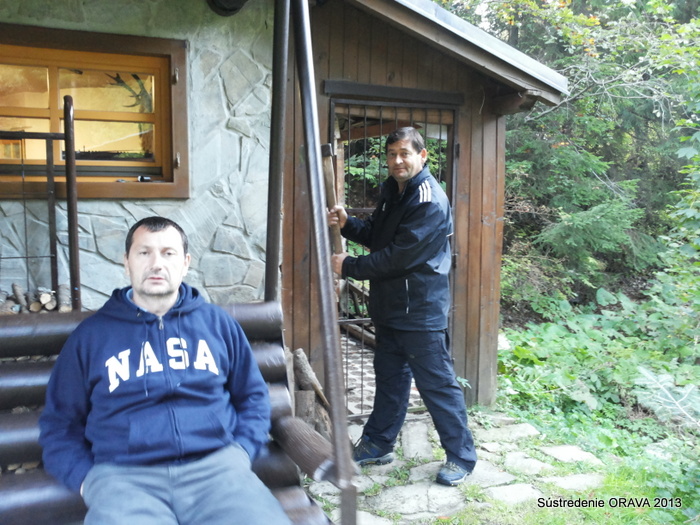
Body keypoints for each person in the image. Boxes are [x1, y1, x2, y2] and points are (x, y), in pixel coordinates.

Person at [39, 216, 292, 525]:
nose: (156, 264)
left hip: (218, 472)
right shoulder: (90, 338)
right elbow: (59, 425)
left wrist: (241, 452)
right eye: (144, 252)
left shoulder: (218, 325)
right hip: (125, 479)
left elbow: (253, 397)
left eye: (168, 253)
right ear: (127, 262)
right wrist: (88, 480)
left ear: (185, 263)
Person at [328, 127, 477, 486]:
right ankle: (378, 444)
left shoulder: (428, 199)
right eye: (392, 154)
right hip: (391, 306)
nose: (397, 160)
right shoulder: (394, 190)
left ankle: (461, 457)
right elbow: (379, 236)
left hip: (419, 309)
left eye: (405, 153)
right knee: (390, 379)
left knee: (437, 384)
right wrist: (349, 225)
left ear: (422, 156)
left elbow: (400, 256)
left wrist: (350, 266)